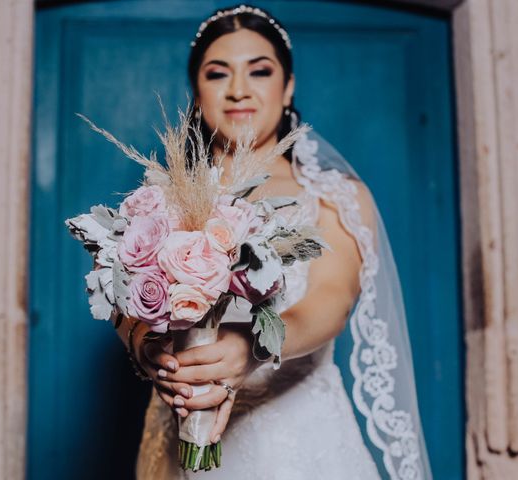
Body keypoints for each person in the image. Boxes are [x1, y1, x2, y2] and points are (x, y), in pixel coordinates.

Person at [115, 4, 432, 479]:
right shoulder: (160, 197)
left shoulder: (333, 196)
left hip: (301, 438)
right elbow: (129, 302)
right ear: (197, 95)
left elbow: (331, 300)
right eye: (218, 73)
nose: (239, 89)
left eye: (259, 72)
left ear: (287, 88)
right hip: (183, 428)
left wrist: (252, 348)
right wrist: (149, 352)